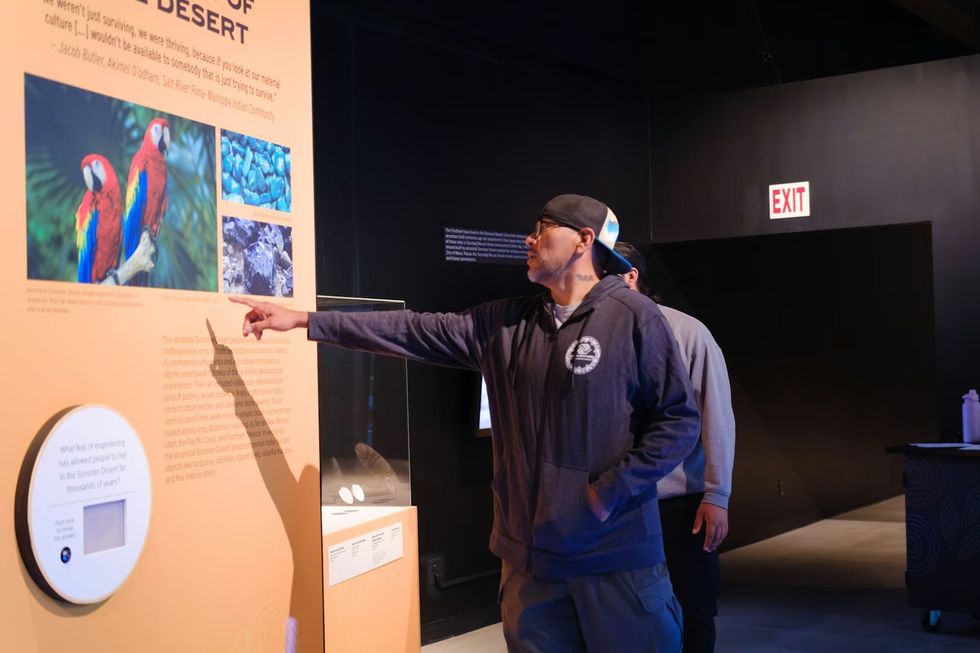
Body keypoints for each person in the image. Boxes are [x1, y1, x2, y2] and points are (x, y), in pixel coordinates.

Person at [232, 194, 700, 652]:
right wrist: (303, 321)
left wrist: (608, 494)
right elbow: (412, 330)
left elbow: (678, 422)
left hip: (613, 560)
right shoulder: (506, 323)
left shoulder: (635, 318)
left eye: (542, 228)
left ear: (583, 239)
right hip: (529, 565)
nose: (528, 239)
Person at [615, 241, 736, 653]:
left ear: (631, 277)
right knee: (624, 613)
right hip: (616, 502)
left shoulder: (687, 332)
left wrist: (717, 494)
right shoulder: (591, 334)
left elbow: (717, 414)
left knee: (693, 609)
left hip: (680, 503)